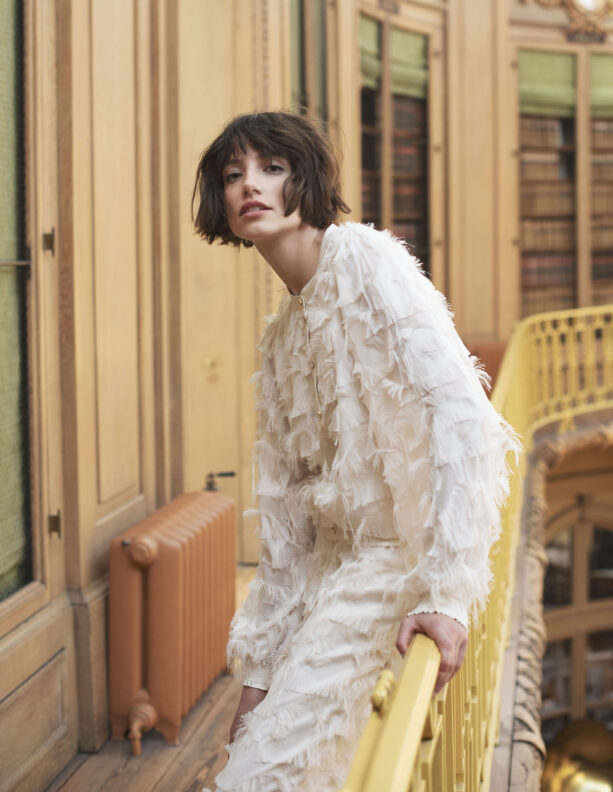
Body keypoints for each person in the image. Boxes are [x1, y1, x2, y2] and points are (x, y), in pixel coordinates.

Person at [193, 111, 518, 792]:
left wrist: (448, 596)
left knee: (265, 776)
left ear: (306, 179)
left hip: (394, 560)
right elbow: (287, 525)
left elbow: (465, 418)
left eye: (271, 168)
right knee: (280, 765)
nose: (249, 185)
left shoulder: (366, 259)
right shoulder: (280, 338)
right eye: (232, 174)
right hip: (329, 572)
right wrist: (259, 676)